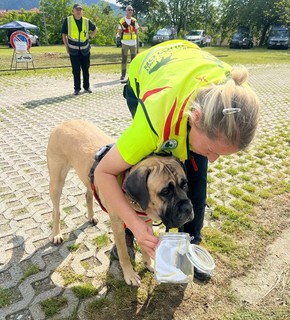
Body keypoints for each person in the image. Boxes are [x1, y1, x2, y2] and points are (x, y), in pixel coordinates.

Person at [94, 40, 260, 281]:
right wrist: (135, 224)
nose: (213, 160)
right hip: (146, 77)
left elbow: (203, 159)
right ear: (196, 118)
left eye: (222, 154)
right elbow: (103, 173)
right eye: (212, 149)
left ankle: (192, 243)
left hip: (187, 72)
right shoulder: (154, 123)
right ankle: (130, 231)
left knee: (195, 175)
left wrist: (201, 154)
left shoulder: (235, 100)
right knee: (143, 165)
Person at [61, 3, 98, 95]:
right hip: (73, 50)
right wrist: (67, 47)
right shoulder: (68, 20)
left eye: (80, 10)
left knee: (86, 69)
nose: (79, 11)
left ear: (82, 12)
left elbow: (95, 29)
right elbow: (64, 35)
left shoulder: (86, 21)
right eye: (77, 10)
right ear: (73, 11)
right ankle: (77, 88)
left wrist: (90, 37)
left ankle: (87, 87)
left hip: (85, 50)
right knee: (76, 70)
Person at [118, 5, 139, 82]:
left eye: (131, 10)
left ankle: (133, 75)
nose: (130, 11)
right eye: (129, 10)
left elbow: (136, 31)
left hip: (133, 43)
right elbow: (119, 31)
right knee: (124, 59)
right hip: (125, 43)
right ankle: (123, 75)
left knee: (134, 60)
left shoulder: (134, 20)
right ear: (126, 11)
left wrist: (137, 40)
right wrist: (119, 39)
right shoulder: (122, 21)